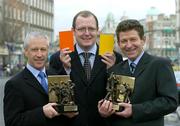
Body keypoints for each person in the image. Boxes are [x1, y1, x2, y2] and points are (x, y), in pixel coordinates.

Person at [98, 19, 178, 126]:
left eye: (133, 39)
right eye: (124, 41)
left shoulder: (160, 64)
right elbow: (113, 104)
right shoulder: (115, 69)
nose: (129, 45)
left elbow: (170, 102)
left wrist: (135, 110)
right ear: (118, 43)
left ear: (143, 40)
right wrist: (104, 112)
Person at [49, 10, 123, 126]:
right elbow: (55, 98)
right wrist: (65, 69)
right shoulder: (57, 58)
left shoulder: (114, 57)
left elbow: (120, 98)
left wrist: (111, 70)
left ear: (98, 30)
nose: (87, 33)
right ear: (73, 31)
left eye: (91, 29)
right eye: (82, 29)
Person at [3, 32, 70, 126]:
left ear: (48, 51)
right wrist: (41, 112)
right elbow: (12, 122)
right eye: (34, 50)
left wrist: (69, 113)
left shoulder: (56, 76)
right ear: (26, 52)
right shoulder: (14, 84)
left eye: (43, 49)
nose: (39, 54)